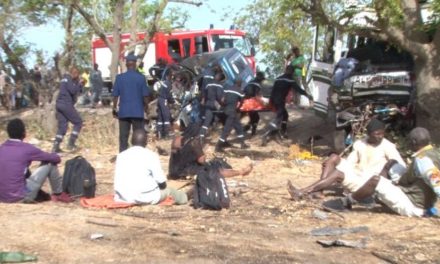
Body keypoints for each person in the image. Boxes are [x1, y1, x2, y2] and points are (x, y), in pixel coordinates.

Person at [287, 119, 406, 199]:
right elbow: (350, 162)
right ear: (369, 133)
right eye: (377, 134)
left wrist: (385, 173)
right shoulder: (360, 143)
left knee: (337, 174)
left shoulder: (387, 146)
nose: (380, 137)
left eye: (382, 134)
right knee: (333, 158)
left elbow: (399, 166)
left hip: (369, 182)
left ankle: (303, 192)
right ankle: (319, 191)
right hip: (358, 173)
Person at [335, 127, 440, 217]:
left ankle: (346, 202)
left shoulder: (423, 160)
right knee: (393, 165)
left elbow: (437, 183)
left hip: (414, 205)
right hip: (418, 195)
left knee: (376, 180)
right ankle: (379, 194)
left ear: (413, 142)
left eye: (408, 141)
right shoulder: (434, 152)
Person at [0, 119, 71, 203]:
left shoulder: (2, 148)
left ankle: (47, 195)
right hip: (21, 197)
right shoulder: (26, 148)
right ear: (24, 133)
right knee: (49, 163)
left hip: (3, 197)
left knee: (22, 169)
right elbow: (55, 159)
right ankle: (58, 193)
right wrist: (55, 155)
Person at [114, 129, 187, 205]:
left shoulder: (121, 156)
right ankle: (185, 198)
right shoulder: (151, 155)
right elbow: (162, 183)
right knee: (170, 191)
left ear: (131, 142)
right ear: (145, 143)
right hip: (145, 197)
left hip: (123, 197)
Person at [169, 123, 254, 180]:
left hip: (173, 170)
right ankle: (240, 172)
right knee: (215, 171)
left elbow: (178, 154)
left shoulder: (177, 139)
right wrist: (204, 151)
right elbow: (201, 160)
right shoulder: (194, 141)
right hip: (186, 171)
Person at [261, 65, 313, 146]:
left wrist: (271, 100)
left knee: (285, 115)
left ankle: (283, 132)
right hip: (280, 100)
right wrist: (307, 95)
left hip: (274, 99)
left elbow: (273, 89)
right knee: (279, 117)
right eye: (292, 72)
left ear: (286, 70)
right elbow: (298, 89)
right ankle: (268, 133)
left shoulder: (278, 78)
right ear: (291, 72)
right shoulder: (290, 80)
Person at [112, 53, 151, 153]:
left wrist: (114, 108)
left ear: (126, 64)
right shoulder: (141, 78)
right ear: (134, 64)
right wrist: (147, 108)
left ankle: (122, 156)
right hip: (137, 112)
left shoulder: (119, 78)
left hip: (124, 112)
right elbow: (145, 96)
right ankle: (138, 156)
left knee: (123, 138)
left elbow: (115, 95)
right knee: (138, 136)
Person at [52, 66, 83, 153]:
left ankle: (56, 146)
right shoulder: (69, 79)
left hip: (59, 104)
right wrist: (79, 84)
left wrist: (79, 86)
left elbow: (76, 91)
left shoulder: (63, 79)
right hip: (66, 104)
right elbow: (73, 91)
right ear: (75, 74)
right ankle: (71, 143)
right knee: (78, 122)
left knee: (62, 126)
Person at [215, 79, 249, 152]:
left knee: (238, 126)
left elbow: (222, 99)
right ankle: (218, 146)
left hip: (225, 110)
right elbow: (241, 103)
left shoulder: (227, 89)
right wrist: (238, 109)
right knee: (227, 129)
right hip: (232, 111)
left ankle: (242, 143)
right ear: (240, 83)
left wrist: (225, 105)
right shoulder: (240, 91)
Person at [199, 72, 224, 142]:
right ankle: (213, 129)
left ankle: (201, 136)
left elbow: (204, 92)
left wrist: (203, 100)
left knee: (206, 121)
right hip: (215, 104)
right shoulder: (220, 85)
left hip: (208, 103)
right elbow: (219, 96)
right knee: (217, 117)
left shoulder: (208, 84)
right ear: (220, 79)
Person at [242, 71, 265, 136]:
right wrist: (262, 101)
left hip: (246, 102)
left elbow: (244, 91)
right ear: (259, 77)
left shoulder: (250, 82)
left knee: (253, 117)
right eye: (261, 79)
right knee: (256, 117)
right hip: (251, 102)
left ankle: (248, 127)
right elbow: (257, 95)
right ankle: (253, 131)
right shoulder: (257, 84)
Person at [156, 71, 175, 139]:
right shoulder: (169, 84)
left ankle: (159, 133)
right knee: (166, 116)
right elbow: (169, 95)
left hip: (160, 99)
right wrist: (173, 101)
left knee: (160, 117)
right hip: (164, 100)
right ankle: (167, 134)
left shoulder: (164, 83)